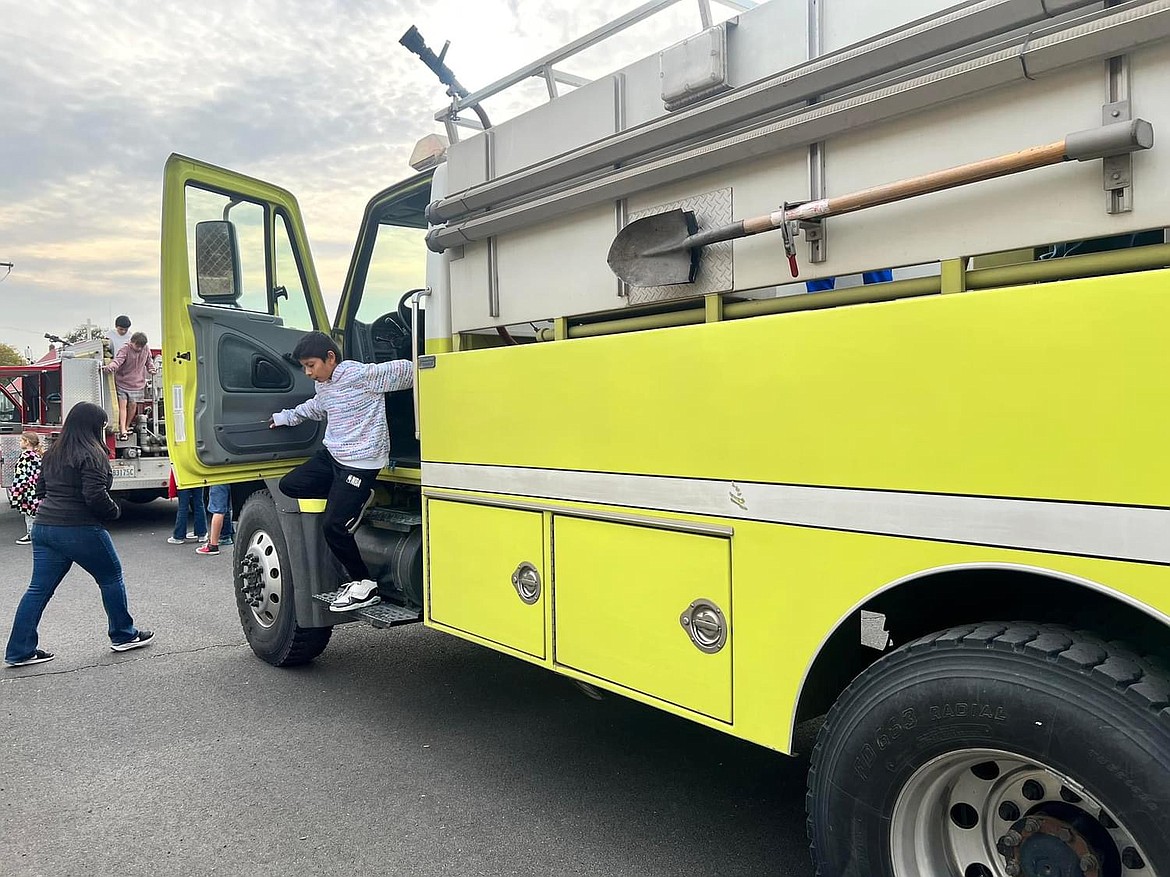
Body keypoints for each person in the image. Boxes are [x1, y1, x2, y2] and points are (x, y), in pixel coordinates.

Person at [270, 331, 413, 611]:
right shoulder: (324, 385)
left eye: (311, 365)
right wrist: (285, 417)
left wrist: (433, 361)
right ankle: (353, 497)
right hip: (334, 456)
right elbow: (317, 407)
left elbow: (408, 370)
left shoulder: (361, 375)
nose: (308, 373)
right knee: (290, 485)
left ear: (330, 358)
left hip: (361, 461)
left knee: (333, 527)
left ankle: (365, 584)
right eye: (304, 367)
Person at [4, 401, 153, 667]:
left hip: (44, 527)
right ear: (94, 427)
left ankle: (19, 650)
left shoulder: (52, 453)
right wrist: (114, 511)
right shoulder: (92, 454)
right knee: (110, 577)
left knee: (38, 590)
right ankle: (122, 634)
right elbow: (94, 495)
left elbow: (40, 491)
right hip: (79, 527)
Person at [103, 330, 157, 441]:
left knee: (133, 406)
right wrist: (111, 367)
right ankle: (122, 430)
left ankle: (126, 426)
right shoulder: (125, 349)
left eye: (141, 346)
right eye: (137, 346)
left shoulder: (146, 349)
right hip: (122, 381)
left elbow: (149, 361)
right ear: (131, 342)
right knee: (122, 406)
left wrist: (151, 368)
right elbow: (118, 360)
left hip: (137, 383)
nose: (139, 348)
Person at [9, 431, 43, 545]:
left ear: (27, 442)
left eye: (21, 440)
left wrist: (16, 493)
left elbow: (20, 477)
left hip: (27, 490)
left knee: (29, 513)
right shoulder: (37, 456)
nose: (19, 442)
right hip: (36, 488)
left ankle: (31, 535)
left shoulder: (24, 458)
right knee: (36, 511)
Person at [166, 468, 207, 545]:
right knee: (199, 505)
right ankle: (201, 534)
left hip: (183, 477)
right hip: (197, 475)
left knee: (183, 507)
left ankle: (179, 536)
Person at [195, 484, 234, 555]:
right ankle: (226, 536)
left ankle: (213, 545)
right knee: (227, 508)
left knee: (218, 510)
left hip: (219, 477)